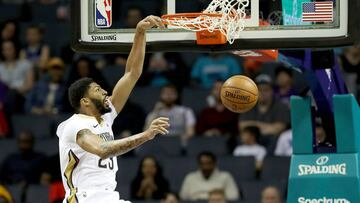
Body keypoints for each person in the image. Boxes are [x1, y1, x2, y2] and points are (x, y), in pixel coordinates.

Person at [56, 16, 169, 203]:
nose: (106, 92)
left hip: (109, 197)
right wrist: (146, 135)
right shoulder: (74, 125)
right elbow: (103, 149)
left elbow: (132, 73)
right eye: (98, 90)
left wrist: (140, 32)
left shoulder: (105, 118)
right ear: (85, 101)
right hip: (85, 198)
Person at [238, 74, 290, 150]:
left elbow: (278, 128)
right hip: (251, 142)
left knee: (274, 138)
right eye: (259, 89)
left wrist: (254, 127)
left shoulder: (281, 106)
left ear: (272, 91)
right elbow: (242, 126)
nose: (262, 93)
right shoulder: (248, 105)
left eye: (266, 90)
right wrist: (266, 127)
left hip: (273, 144)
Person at [0, 40, 34, 113]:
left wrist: (17, 90)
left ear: (15, 49)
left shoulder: (25, 64)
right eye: (5, 49)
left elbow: (30, 85)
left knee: (12, 93)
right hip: (4, 97)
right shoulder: (0, 67)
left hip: (21, 96)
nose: (7, 51)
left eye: (10, 49)